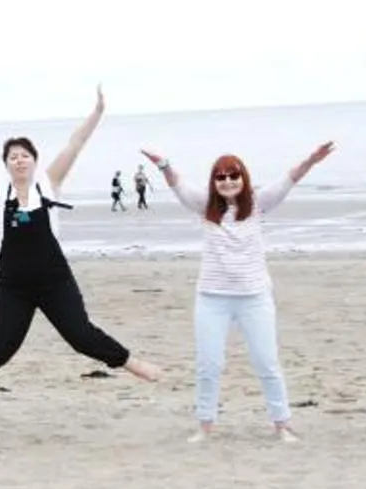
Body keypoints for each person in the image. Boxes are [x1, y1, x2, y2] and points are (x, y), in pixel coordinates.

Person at [0, 96, 163, 400]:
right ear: (6, 164)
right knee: (1, 344)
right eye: (13, 156)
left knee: (81, 336)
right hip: (13, 284)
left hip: (54, 280)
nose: (20, 159)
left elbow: (75, 143)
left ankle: (133, 363)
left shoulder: (49, 183)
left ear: (34, 161)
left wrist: (97, 113)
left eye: (25, 155)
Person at [143, 141, 335, 441]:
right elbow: (177, 184)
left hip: (254, 298)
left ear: (243, 178)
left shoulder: (258, 204)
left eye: (234, 175)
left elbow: (290, 179)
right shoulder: (205, 206)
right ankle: (205, 425)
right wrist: (163, 164)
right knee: (209, 365)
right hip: (212, 298)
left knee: (267, 362)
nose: (228, 181)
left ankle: (281, 424)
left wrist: (311, 160)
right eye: (221, 177)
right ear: (214, 182)